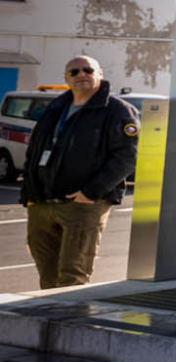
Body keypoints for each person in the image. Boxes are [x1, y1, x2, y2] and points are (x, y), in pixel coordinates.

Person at [20, 55, 139, 288]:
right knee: (47, 274)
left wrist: (91, 192)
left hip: (82, 205)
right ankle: (48, 312)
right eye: (74, 72)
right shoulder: (54, 109)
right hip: (42, 203)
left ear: (100, 74)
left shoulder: (117, 111)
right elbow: (33, 153)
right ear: (66, 78)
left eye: (88, 70)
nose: (81, 75)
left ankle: (71, 313)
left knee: (72, 274)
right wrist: (29, 195)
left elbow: (128, 156)